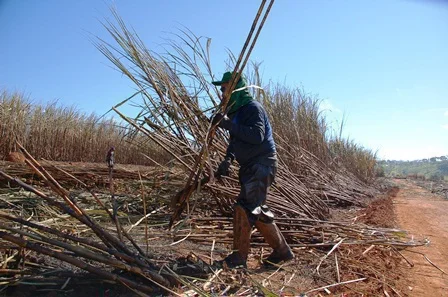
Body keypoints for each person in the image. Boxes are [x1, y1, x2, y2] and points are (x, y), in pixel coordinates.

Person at [211, 71, 293, 269]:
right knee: (255, 209)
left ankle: (239, 257)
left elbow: (257, 135)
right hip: (252, 166)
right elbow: (235, 141)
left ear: (235, 89)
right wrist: (227, 161)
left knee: (244, 207)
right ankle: (282, 252)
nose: (222, 93)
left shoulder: (252, 108)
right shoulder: (237, 112)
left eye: (225, 89)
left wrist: (227, 124)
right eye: (221, 89)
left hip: (261, 163)